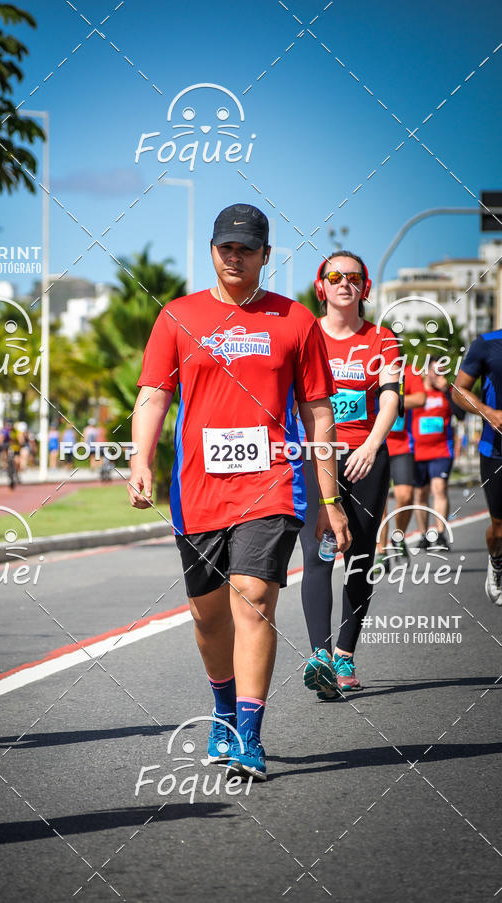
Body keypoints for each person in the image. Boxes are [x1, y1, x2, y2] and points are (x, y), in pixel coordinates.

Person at [128, 204, 350, 780]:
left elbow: (318, 412)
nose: (235, 256)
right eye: (226, 247)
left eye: (247, 248)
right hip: (197, 489)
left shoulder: (295, 320)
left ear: (265, 255)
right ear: (212, 251)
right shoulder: (178, 316)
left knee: (253, 595)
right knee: (207, 617)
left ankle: (249, 735)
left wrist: (328, 501)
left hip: (271, 483)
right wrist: (140, 460)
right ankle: (224, 711)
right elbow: (153, 395)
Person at [298, 252, 401, 697]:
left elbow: (391, 397)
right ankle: (319, 657)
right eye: (335, 276)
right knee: (318, 553)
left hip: (366, 458)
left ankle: (344, 653)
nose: (344, 283)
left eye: (353, 277)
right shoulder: (306, 334)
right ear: (321, 286)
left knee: (358, 557)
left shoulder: (382, 338)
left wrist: (371, 446)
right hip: (315, 457)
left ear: (365, 286)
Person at [453, 328, 502, 604]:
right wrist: (489, 412)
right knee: (499, 528)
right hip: (496, 450)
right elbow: (458, 390)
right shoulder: (487, 344)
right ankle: (496, 560)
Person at [375, 364, 426, 570]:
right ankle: (381, 552)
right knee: (379, 503)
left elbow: (421, 398)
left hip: (403, 445)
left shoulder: (408, 372)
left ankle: (399, 537)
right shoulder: (371, 369)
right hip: (375, 444)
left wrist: (392, 400)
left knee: (405, 496)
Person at [410, 358, 464, 551]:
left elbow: (461, 414)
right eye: (436, 371)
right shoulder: (416, 393)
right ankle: (424, 535)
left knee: (439, 489)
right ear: (426, 372)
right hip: (417, 451)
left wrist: (446, 392)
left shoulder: (447, 392)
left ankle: (440, 534)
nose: (439, 375)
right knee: (420, 493)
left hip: (442, 450)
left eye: (442, 372)